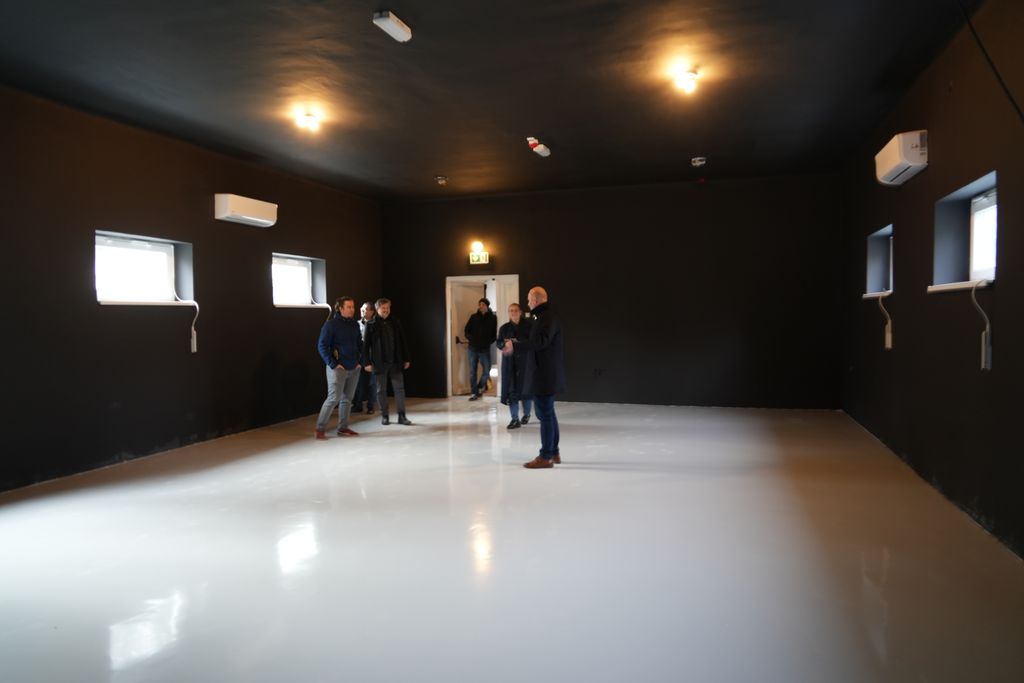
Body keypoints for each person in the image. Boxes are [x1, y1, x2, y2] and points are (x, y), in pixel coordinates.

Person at [506, 286, 565, 468]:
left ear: (536, 299)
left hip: (544, 375)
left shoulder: (547, 317)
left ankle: (545, 456)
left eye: (529, 299)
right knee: (548, 413)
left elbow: (540, 342)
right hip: (545, 373)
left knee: (545, 415)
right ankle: (553, 452)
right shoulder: (543, 317)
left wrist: (515, 346)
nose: (528, 302)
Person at [314, 296, 363, 439]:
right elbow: (322, 346)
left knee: (347, 399)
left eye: (353, 307)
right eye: (349, 307)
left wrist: (360, 361)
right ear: (340, 308)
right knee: (333, 398)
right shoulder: (331, 325)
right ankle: (320, 429)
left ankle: (343, 428)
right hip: (337, 369)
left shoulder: (354, 325)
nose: (352, 309)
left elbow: (359, 344)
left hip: (354, 367)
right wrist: (334, 364)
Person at [362, 297, 413, 426]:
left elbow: (403, 341)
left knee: (399, 390)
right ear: (377, 309)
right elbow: (366, 346)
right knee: (381, 391)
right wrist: (366, 362)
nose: (386, 310)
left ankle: (402, 416)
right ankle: (385, 416)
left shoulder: (395, 322)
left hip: (396, 361)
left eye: (387, 308)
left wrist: (406, 358)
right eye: (383, 308)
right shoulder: (370, 324)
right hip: (379, 362)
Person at [496, 302, 533, 429]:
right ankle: (514, 418)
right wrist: (504, 345)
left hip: (525, 363)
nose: (513, 312)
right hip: (510, 364)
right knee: (512, 392)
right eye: (511, 310)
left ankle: (526, 414)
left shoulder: (529, 326)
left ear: (520, 312)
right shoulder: (504, 328)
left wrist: (517, 344)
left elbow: (532, 342)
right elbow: (499, 342)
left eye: (516, 310)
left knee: (526, 391)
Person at [464, 297, 497, 400]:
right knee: (472, 371)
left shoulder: (493, 318)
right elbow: (466, 330)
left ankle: (478, 387)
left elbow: (494, 333)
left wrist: (488, 342)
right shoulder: (473, 317)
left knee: (487, 370)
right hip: (472, 348)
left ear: (487, 306)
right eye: (479, 304)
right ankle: (474, 393)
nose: (481, 306)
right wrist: (471, 339)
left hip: (484, 349)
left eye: (483, 304)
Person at [352, 301, 377, 414]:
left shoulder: (375, 325)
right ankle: (358, 405)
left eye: (366, 309)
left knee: (372, 382)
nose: (362, 311)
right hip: (359, 357)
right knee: (358, 383)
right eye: (362, 309)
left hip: (372, 357)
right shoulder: (356, 324)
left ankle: (371, 406)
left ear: (372, 312)